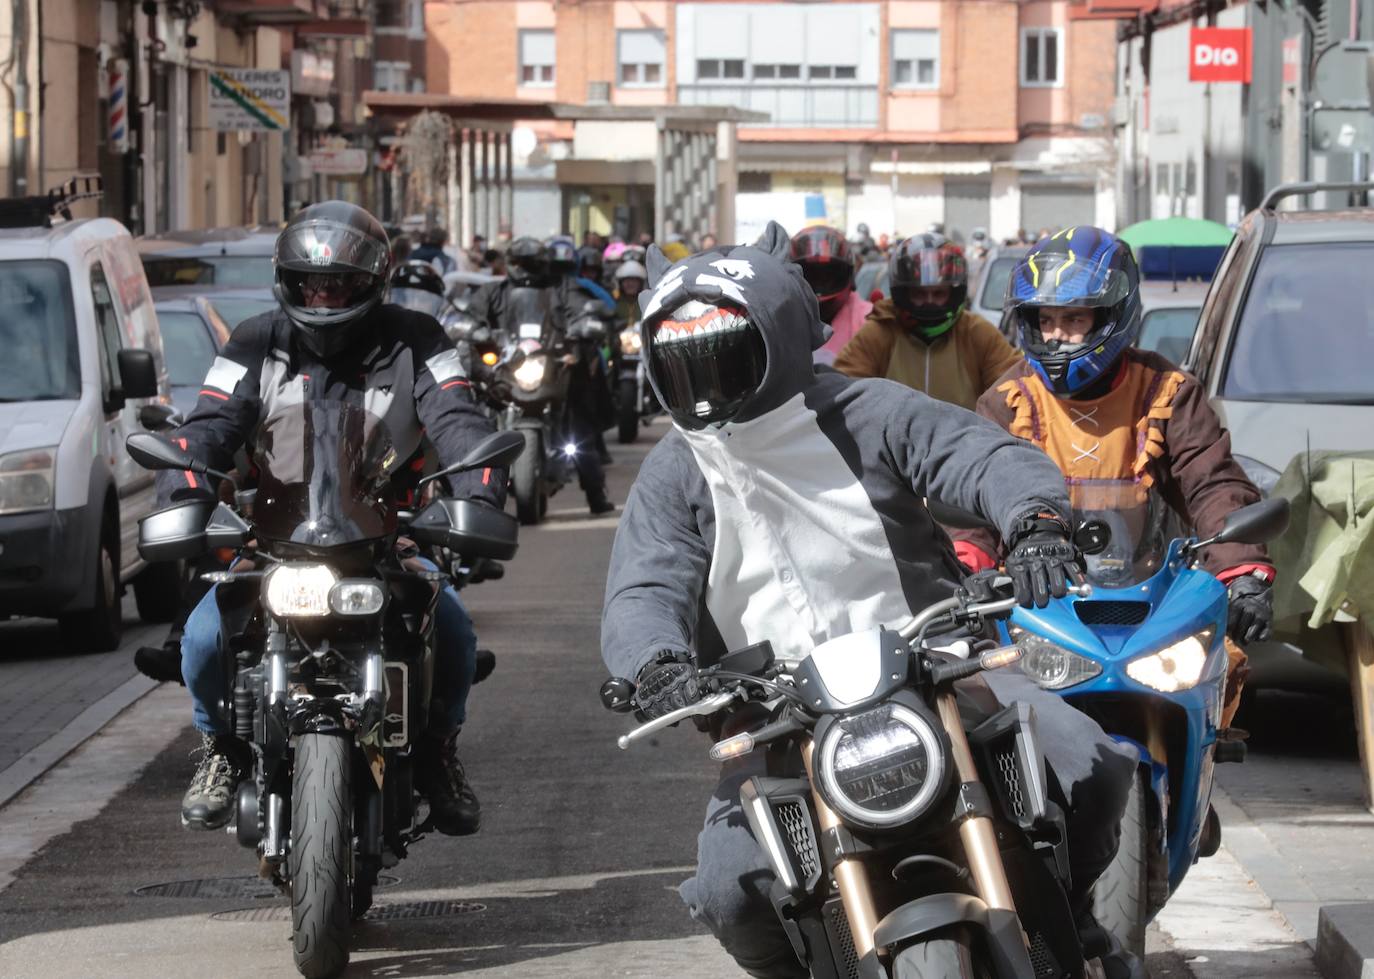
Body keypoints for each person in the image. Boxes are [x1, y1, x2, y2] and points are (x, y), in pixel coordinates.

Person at [602, 222, 1137, 979]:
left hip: (943, 670)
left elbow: (979, 455)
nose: (707, 378)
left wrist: (1036, 523)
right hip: (776, 715)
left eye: (723, 353)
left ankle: (1075, 927)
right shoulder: (670, 473)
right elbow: (644, 583)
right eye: (685, 363)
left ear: (778, 334)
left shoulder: (871, 409)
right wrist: (655, 663)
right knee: (730, 889)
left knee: (1093, 769)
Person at [164, 202, 501, 836]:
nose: (323, 295)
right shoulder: (253, 340)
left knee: (452, 630)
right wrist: (183, 494)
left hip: (385, 536)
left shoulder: (418, 339)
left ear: (373, 281)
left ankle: (436, 752)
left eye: (339, 283)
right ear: (287, 280)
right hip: (274, 541)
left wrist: (475, 498)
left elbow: (459, 421)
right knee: (205, 636)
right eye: (311, 281)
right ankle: (221, 749)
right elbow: (209, 424)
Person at [950, 227, 1273, 729]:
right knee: (979, 718)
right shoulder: (1008, 399)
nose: (1057, 334)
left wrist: (1242, 571)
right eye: (1047, 319)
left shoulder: (1168, 392)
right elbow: (975, 502)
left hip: (1153, 602)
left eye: (1074, 319)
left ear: (1112, 316)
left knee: (1218, 688)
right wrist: (965, 569)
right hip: (1040, 608)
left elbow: (1211, 482)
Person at [833, 233, 1022, 411]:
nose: (929, 301)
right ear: (903, 293)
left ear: (954, 292)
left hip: (966, 444)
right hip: (891, 443)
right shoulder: (880, 331)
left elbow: (1015, 389)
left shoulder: (977, 332)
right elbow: (844, 389)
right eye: (919, 294)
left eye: (939, 293)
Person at [787, 225, 871, 364]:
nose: (820, 284)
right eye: (811, 276)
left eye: (827, 276)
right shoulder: (779, 319)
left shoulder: (868, 320)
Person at [612, 258, 646, 329]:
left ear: (641, 283)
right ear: (620, 283)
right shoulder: (614, 301)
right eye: (626, 280)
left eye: (634, 280)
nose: (630, 284)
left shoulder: (646, 303)